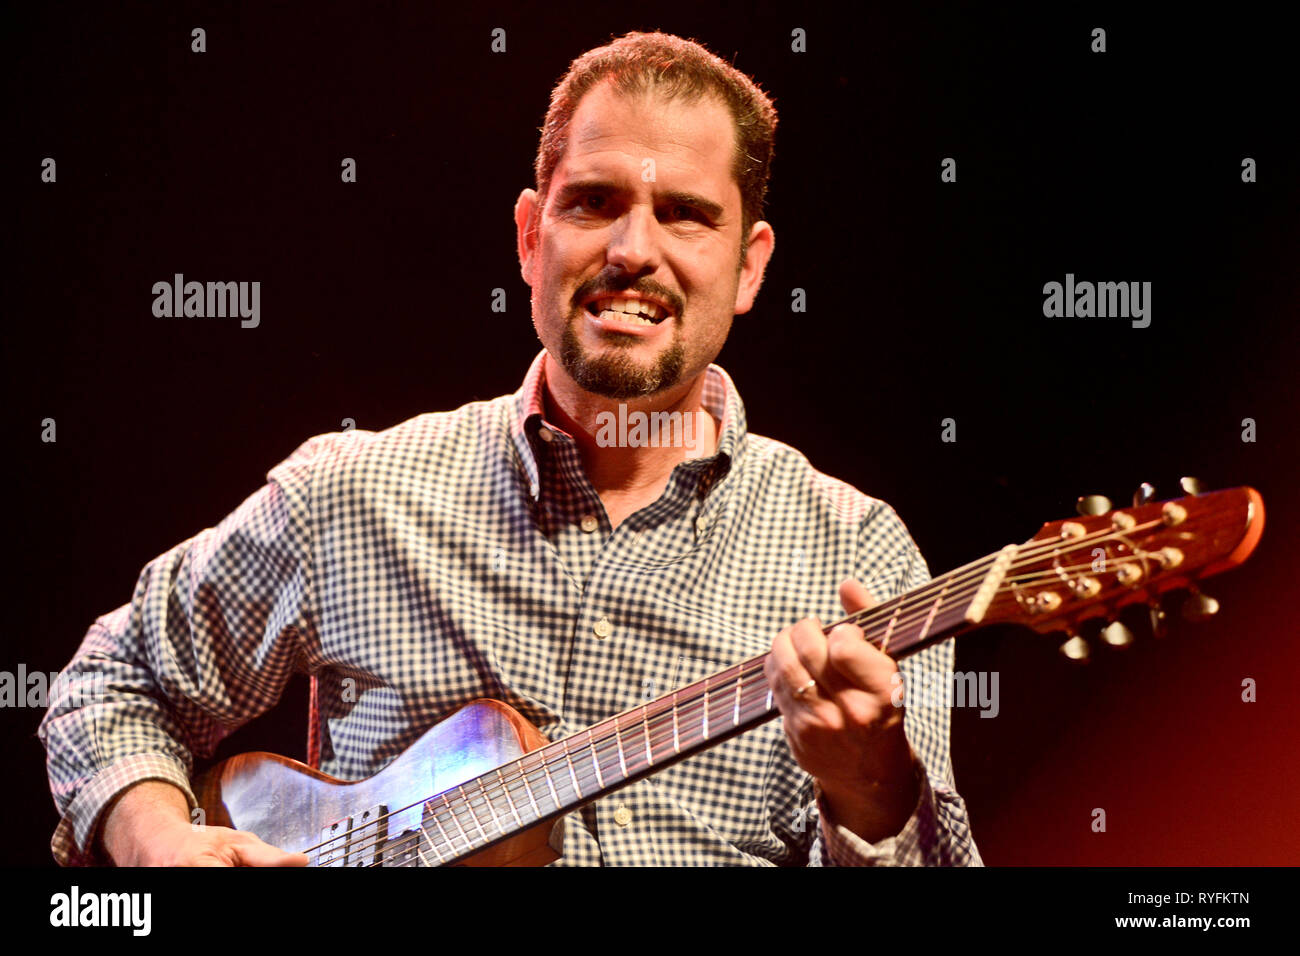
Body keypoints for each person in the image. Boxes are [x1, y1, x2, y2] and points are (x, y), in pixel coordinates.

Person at [39, 31, 981, 866]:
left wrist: (870, 789)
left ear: (751, 266)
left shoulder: (856, 556)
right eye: (593, 202)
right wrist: (158, 843)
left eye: (687, 215)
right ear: (532, 237)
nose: (633, 250)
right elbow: (108, 688)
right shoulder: (353, 493)